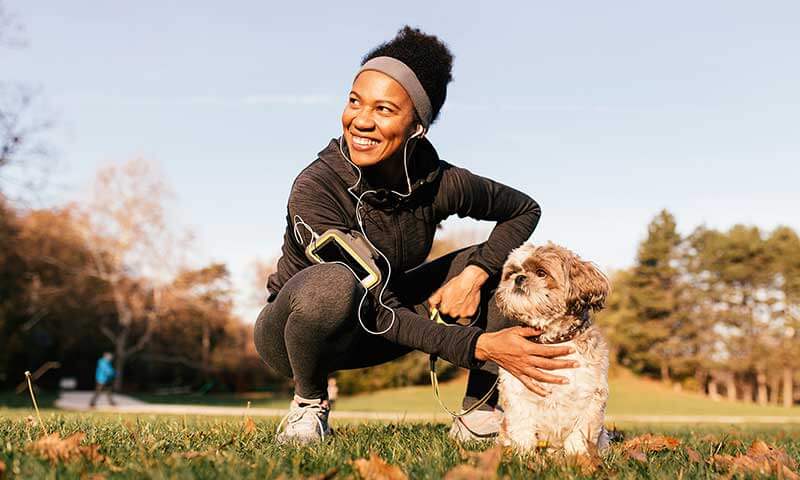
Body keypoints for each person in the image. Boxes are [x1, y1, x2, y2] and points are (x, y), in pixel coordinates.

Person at [254, 26, 576, 444]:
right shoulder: (316, 188)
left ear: (417, 127)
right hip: (298, 336)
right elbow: (374, 305)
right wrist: (481, 346)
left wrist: (475, 274)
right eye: (355, 101)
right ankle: (308, 406)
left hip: (385, 326)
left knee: (501, 265)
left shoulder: (438, 182)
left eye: (384, 109)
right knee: (332, 284)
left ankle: (480, 413)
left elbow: (523, 210)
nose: (361, 120)